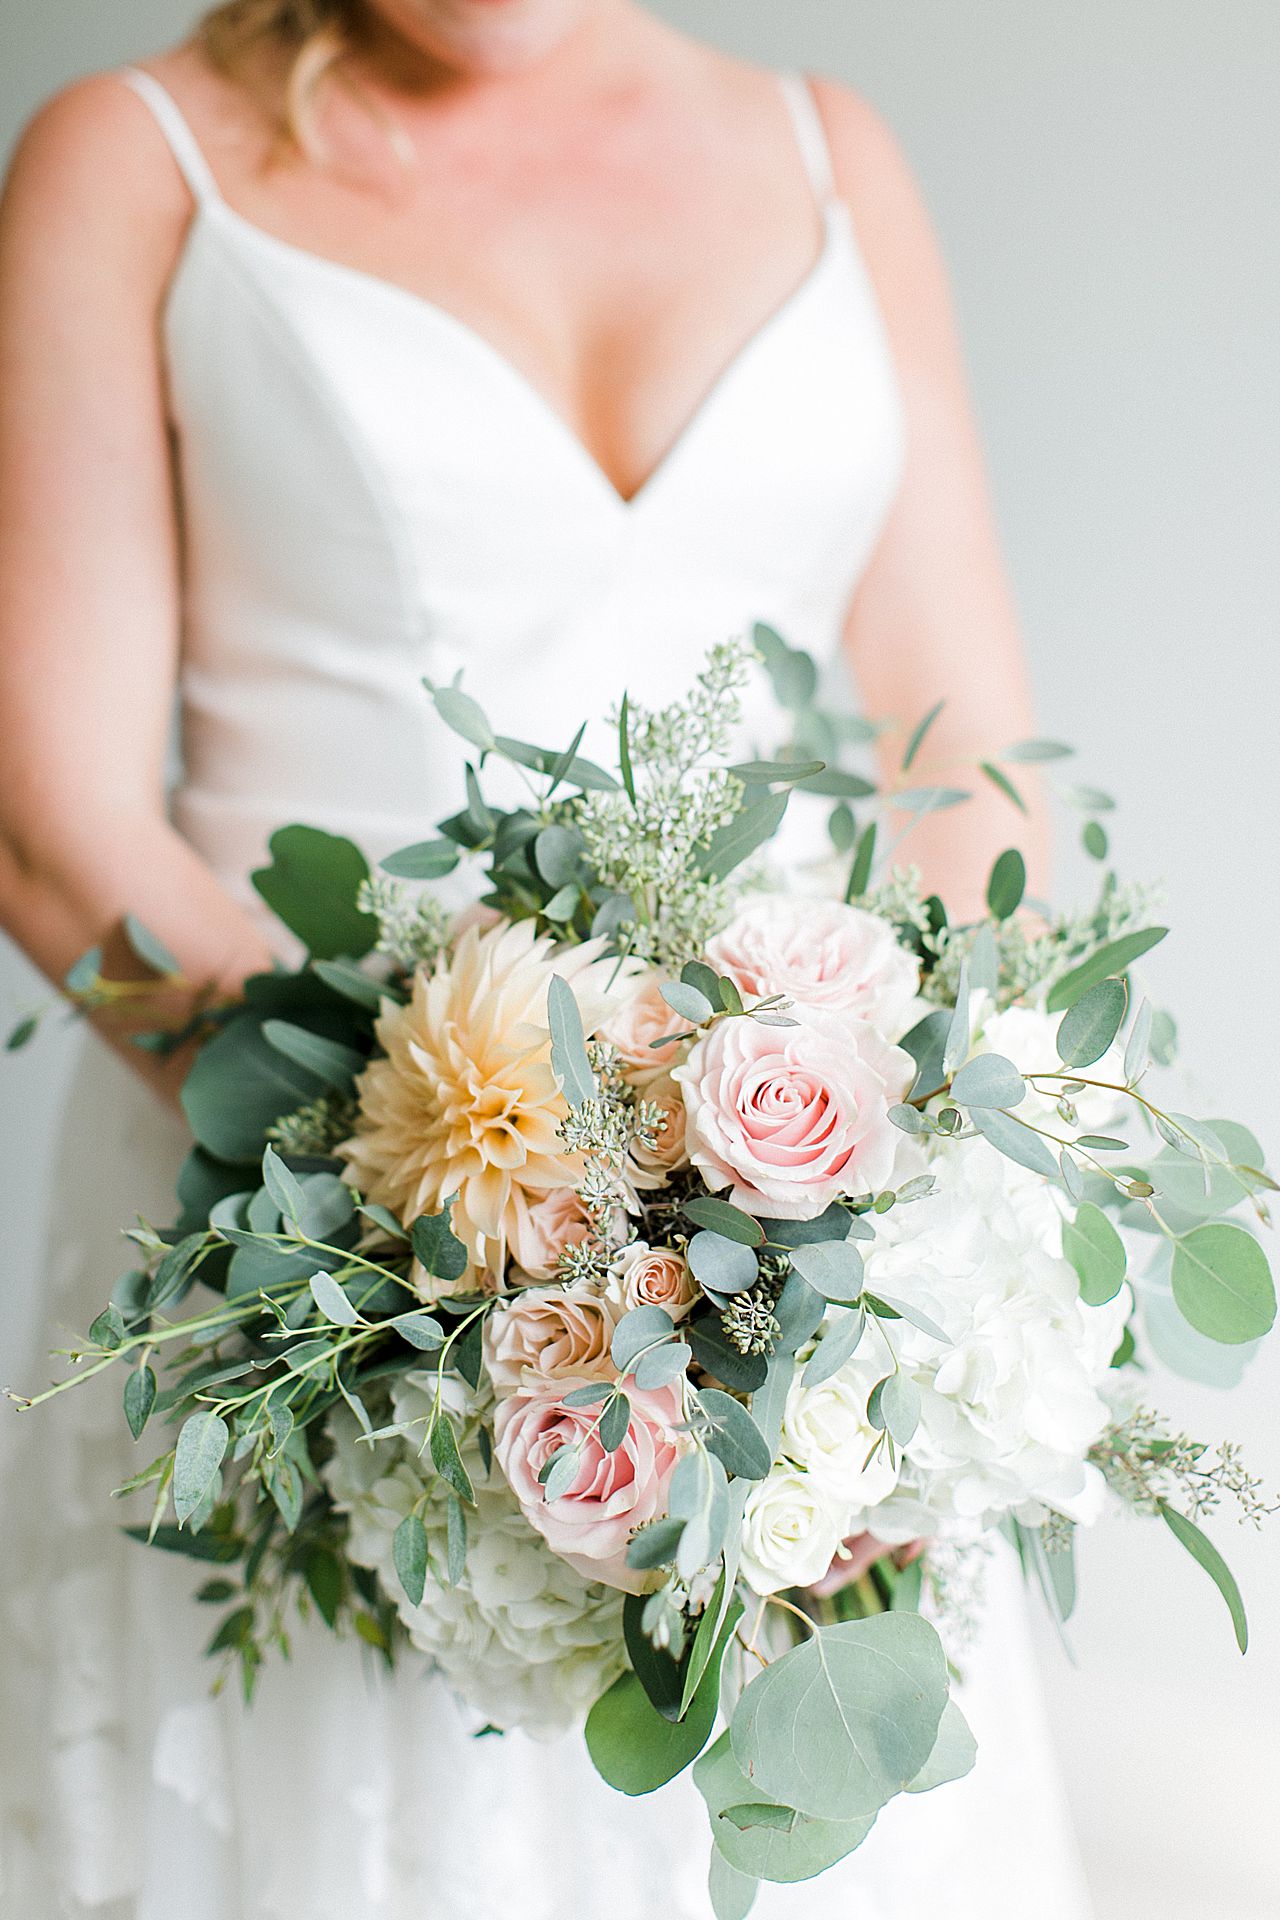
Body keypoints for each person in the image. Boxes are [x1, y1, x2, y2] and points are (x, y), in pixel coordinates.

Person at [0, 4, 1083, 1914]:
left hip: (788, 1216)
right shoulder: (139, 161)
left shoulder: (834, 154)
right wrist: (441, 1227)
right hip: (313, 1210)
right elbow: (47, 815)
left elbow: (973, 774)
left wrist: (889, 1241)